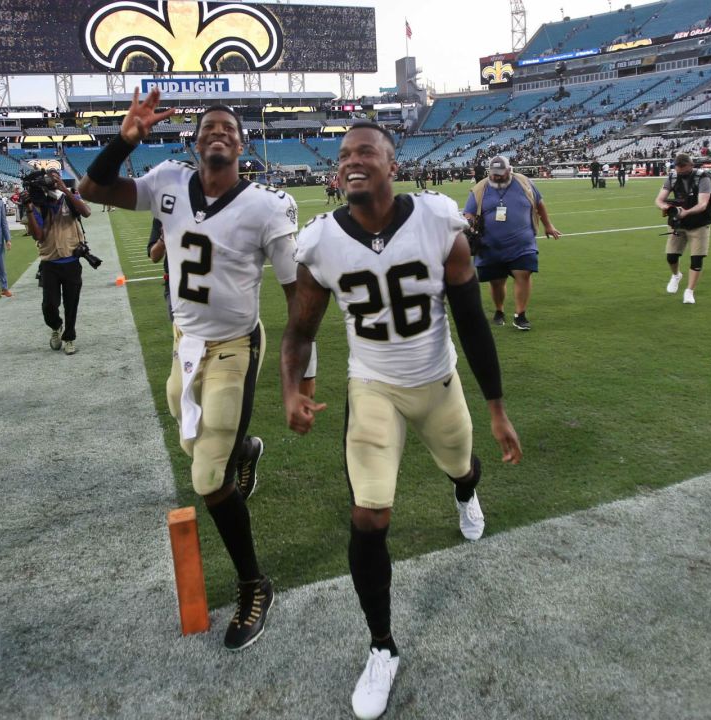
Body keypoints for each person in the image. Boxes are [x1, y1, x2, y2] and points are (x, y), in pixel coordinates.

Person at [281, 122, 522, 720]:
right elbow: (300, 329)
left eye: (366, 151)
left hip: (438, 383)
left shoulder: (438, 220)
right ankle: (382, 646)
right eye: (344, 155)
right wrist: (292, 389)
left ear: (394, 163)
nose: (351, 161)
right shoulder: (318, 242)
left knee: (462, 468)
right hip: (372, 389)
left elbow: (469, 318)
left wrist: (495, 406)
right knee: (369, 514)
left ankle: (466, 494)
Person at [79, 92, 315, 651]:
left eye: (227, 128)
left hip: (235, 346)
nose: (217, 133)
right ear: (193, 140)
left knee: (209, 479)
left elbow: (298, 298)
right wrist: (124, 141)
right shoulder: (166, 181)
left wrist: (301, 378)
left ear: (241, 144)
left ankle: (254, 584)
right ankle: (245, 450)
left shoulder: (267, 206)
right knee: (194, 442)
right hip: (186, 343)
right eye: (207, 126)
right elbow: (92, 191)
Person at [463, 156, 562, 331]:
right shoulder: (480, 189)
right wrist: (469, 225)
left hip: (522, 243)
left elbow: (539, 204)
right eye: (493, 174)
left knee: (524, 274)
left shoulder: (524, 183)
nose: (497, 177)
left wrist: (548, 225)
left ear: (510, 170)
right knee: (496, 282)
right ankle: (499, 310)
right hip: (490, 245)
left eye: (500, 174)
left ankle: (520, 315)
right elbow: (468, 213)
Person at [23, 170, 89, 354]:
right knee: (49, 305)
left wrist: (66, 191)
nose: (52, 180)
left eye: (55, 177)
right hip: (49, 262)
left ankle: (69, 337)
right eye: (48, 178)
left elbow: (86, 212)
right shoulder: (36, 204)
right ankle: (56, 326)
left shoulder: (68, 197)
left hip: (71, 259)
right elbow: (38, 236)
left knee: (71, 303)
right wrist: (28, 208)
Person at [654, 153, 711, 305]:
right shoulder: (672, 177)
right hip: (679, 223)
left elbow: (703, 204)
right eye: (678, 169)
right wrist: (666, 207)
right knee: (671, 256)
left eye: (684, 169)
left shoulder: (703, 178)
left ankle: (689, 291)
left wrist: (685, 212)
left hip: (699, 223)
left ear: (691, 165)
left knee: (697, 259)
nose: (681, 172)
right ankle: (676, 275)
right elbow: (659, 199)